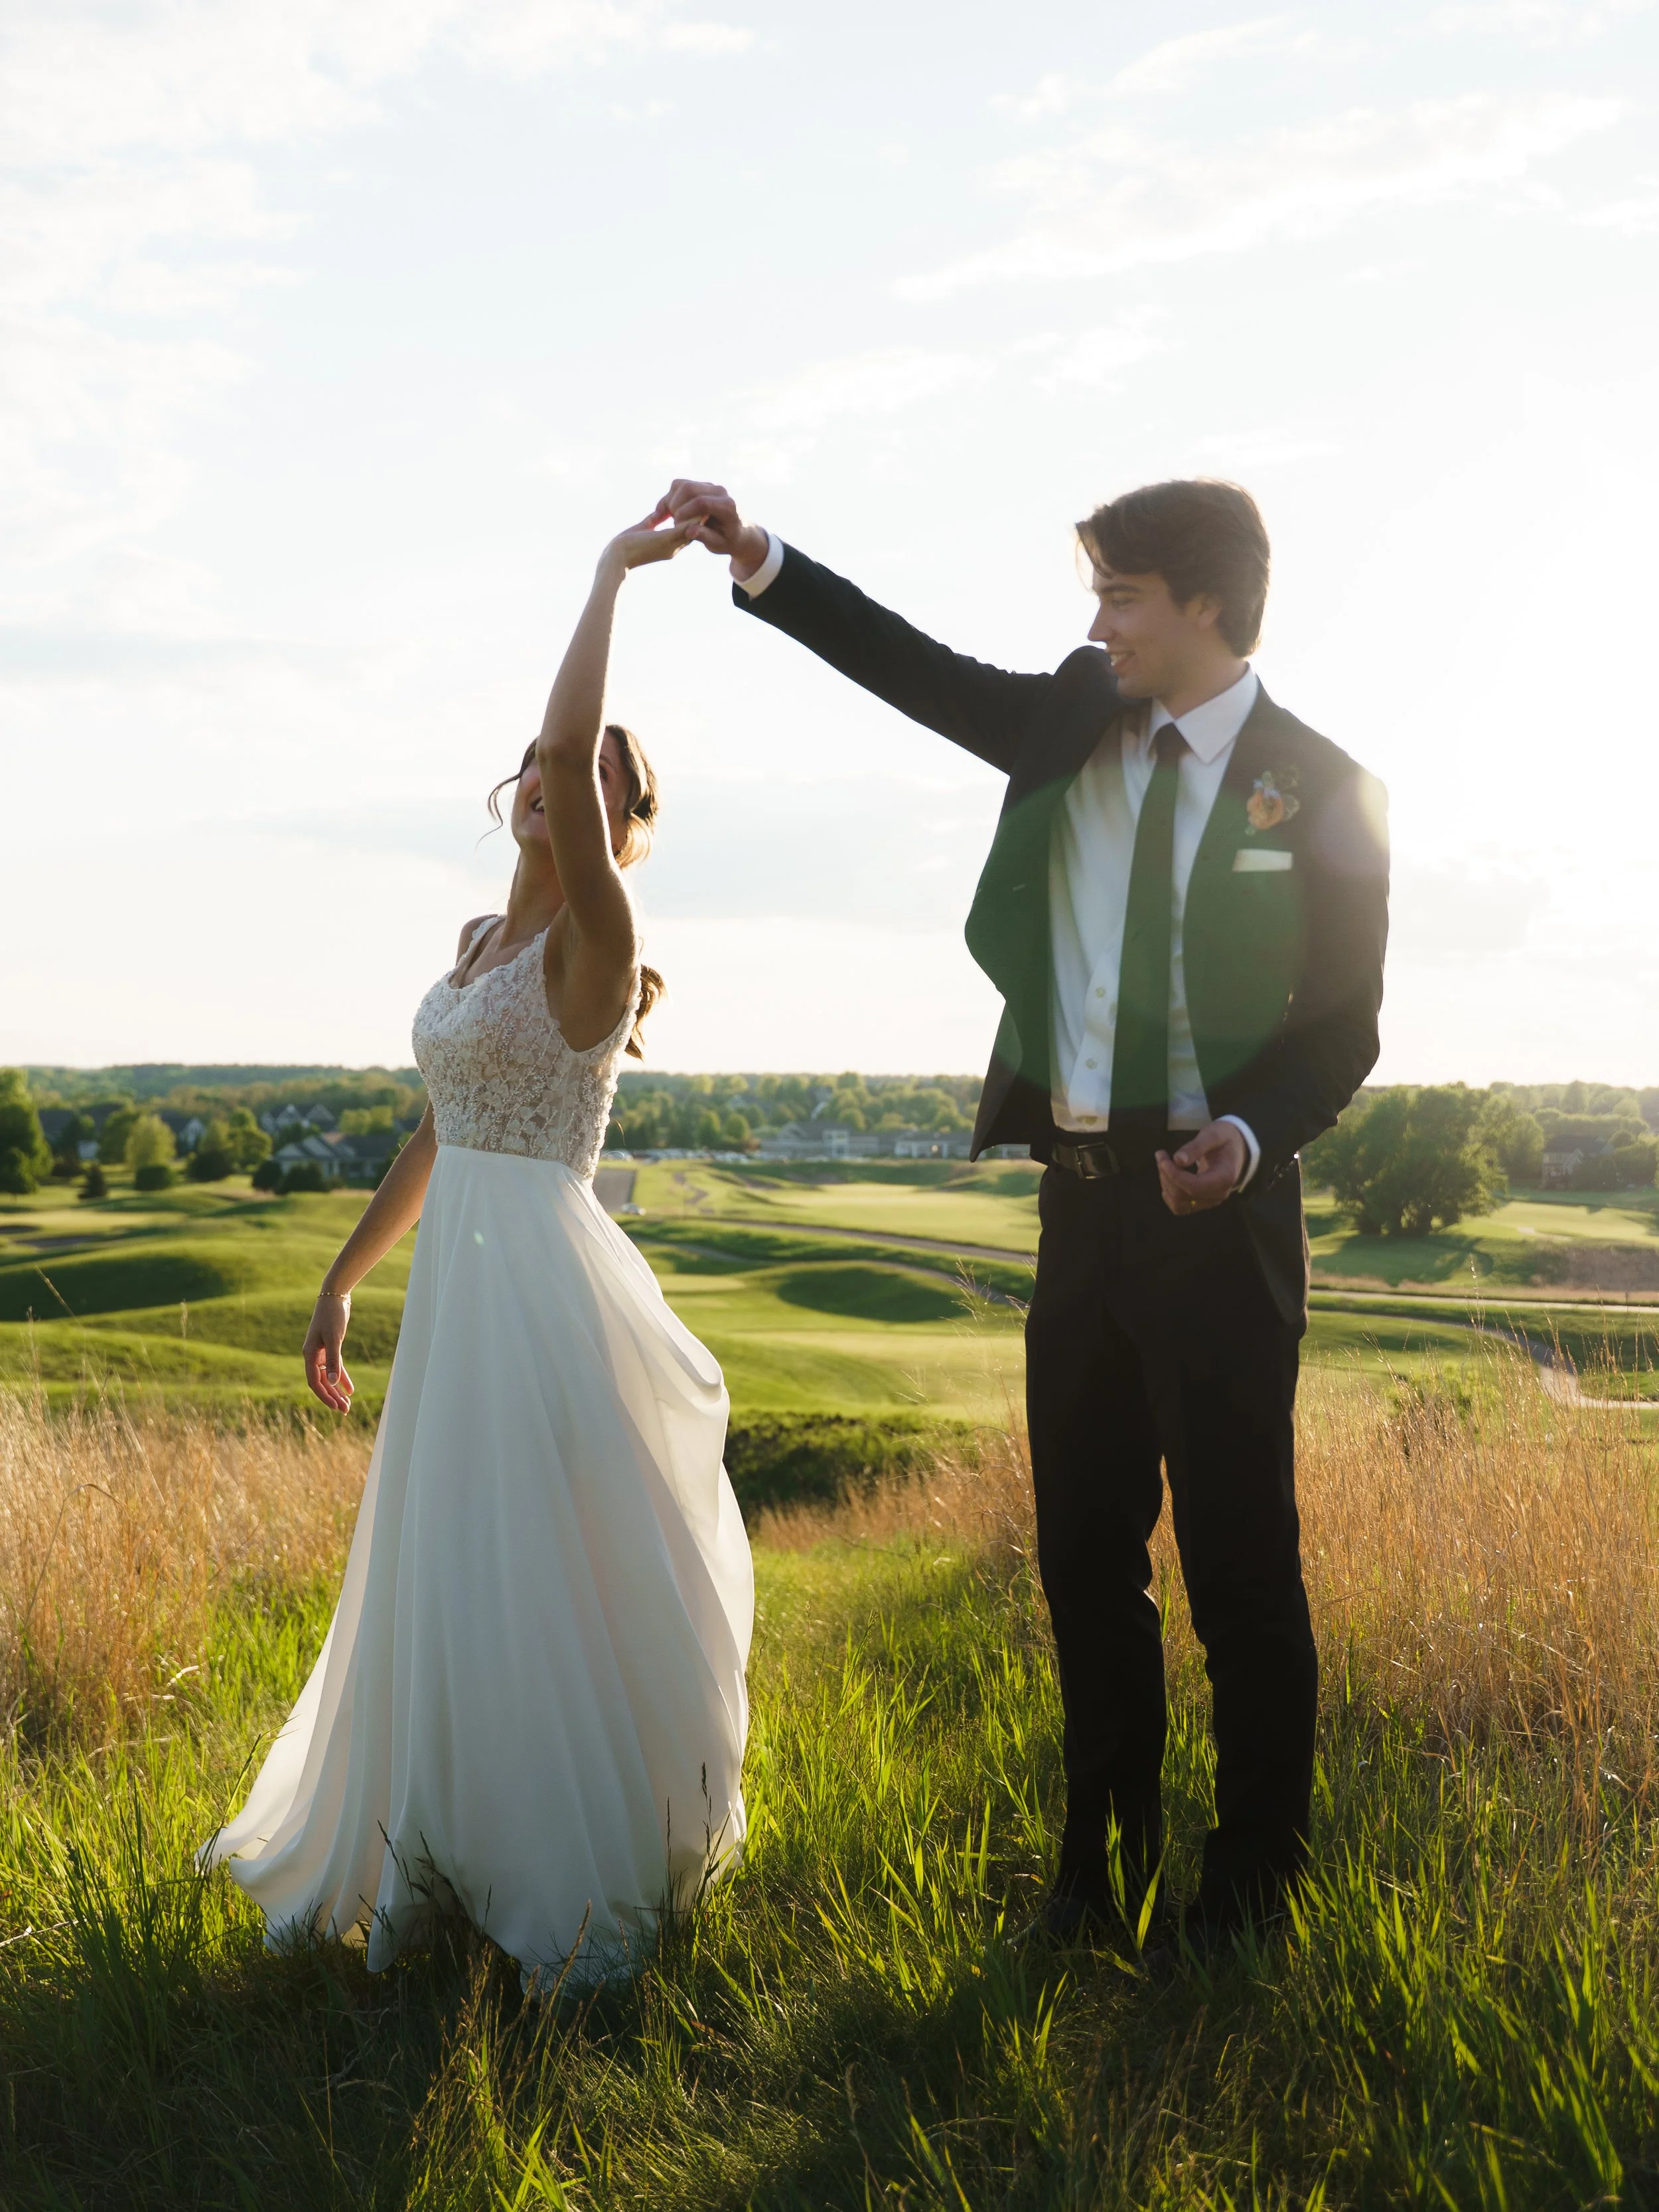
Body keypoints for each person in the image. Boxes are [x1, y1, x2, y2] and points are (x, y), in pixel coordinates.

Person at [660, 474, 1389, 1950]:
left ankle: (1252, 1888)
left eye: (1119, 594)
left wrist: (1245, 1137)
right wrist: (762, 562)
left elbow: (1343, 1029)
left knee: (1242, 1569)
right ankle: (1096, 1878)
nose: (1095, 621)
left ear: (1202, 604)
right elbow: (915, 669)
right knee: (1082, 1559)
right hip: (1079, 1213)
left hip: (1220, 1222)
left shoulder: (1323, 785)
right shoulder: (1071, 711)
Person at [200, 511, 753, 1992]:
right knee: (442, 1564)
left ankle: (555, 1869)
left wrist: (605, 576)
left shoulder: (601, 940)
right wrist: (342, 1277)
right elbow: (434, 1131)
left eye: (600, 782)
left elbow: (577, 755)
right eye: (551, 767)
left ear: (618, 821)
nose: (564, 783)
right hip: (456, 1282)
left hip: (541, 1288)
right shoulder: (472, 944)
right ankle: (429, 1851)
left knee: (536, 1572)